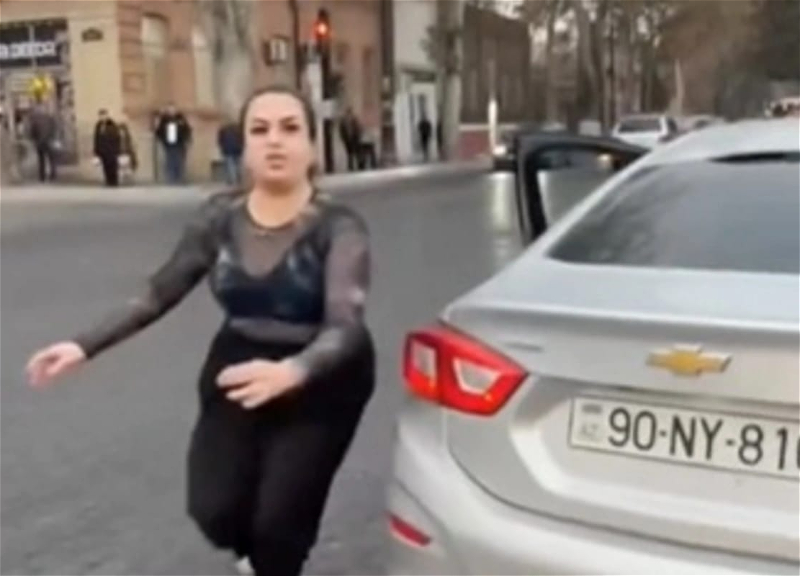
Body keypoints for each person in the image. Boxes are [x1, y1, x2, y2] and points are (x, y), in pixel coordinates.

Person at [25, 84, 375, 576]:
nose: (275, 140)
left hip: (324, 375)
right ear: (244, 147)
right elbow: (158, 293)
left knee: (280, 520)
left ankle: (275, 561)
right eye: (260, 130)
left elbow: (345, 325)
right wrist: (83, 345)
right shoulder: (219, 217)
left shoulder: (340, 226)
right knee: (214, 510)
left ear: (311, 146)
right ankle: (260, 552)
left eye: (290, 128)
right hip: (237, 361)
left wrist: (291, 373)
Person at [155, 102, 192, 183]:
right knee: (170, 159)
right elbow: (159, 131)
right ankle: (171, 178)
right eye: (170, 109)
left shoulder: (180, 118)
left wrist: (187, 139)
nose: (172, 111)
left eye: (173, 109)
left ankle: (179, 177)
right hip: (168, 143)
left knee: (179, 159)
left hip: (180, 142)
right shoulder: (164, 119)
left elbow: (187, 129)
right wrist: (162, 139)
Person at [28, 101, 58, 182]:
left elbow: (32, 131)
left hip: (40, 142)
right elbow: (54, 128)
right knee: (52, 158)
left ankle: (42, 176)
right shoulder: (50, 118)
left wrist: (33, 140)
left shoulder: (35, 120)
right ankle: (53, 175)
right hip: (49, 140)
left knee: (41, 159)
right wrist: (54, 138)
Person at [93, 109, 121, 187]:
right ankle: (108, 181)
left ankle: (114, 181)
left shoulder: (112, 125)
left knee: (112, 166)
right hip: (103, 150)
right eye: (101, 116)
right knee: (105, 166)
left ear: (106, 116)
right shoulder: (98, 125)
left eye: (104, 115)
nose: (102, 117)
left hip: (111, 150)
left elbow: (116, 138)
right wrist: (96, 150)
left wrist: (116, 149)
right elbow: (96, 138)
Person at [217, 118, 244, 185]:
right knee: (237, 165)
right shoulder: (238, 130)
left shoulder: (223, 130)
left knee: (229, 166)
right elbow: (242, 139)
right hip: (237, 150)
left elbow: (220, 140)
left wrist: (222, 147)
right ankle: (238, 179)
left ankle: (232, 180)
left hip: (227, 150)